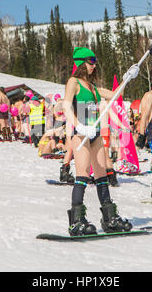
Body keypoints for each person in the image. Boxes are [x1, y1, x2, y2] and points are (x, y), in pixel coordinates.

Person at [62, 47, 133, 236]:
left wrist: (127, 78)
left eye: (95, 62)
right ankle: (76, 220)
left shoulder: (92, 87)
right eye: (90, 61)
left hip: (95, 134)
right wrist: (79, 125)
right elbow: (66, 106)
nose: (94, 65)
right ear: (80, 63)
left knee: (101, 176)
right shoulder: (73, 82)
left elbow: (116, 95)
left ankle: (109, 218)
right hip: (81, 134)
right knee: (83, 174)